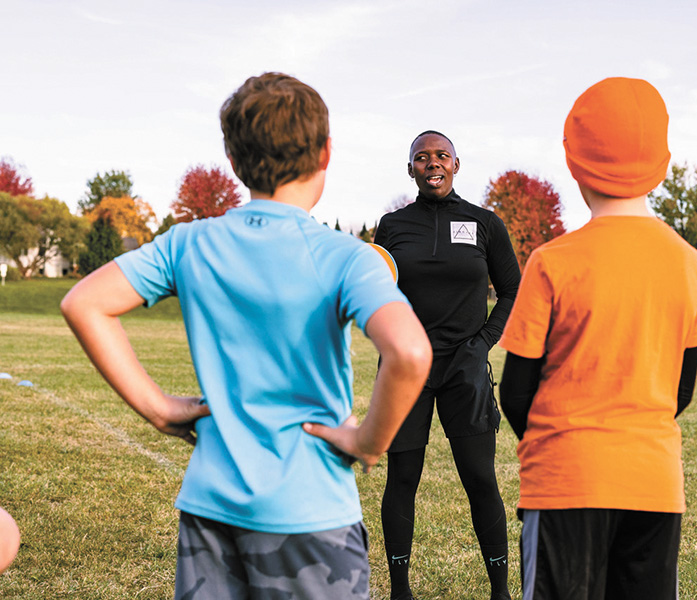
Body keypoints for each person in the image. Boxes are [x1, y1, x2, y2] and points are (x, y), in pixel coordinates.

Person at [60, 72, 432, 600]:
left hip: (210, 511)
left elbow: (85, 302)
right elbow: (411, 352)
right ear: (326, 153)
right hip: (312, 513)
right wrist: (366, 442)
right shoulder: (344, 255)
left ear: (233, 161)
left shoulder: (188, 243)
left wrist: (159, 409)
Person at [498, 78, 697, 600]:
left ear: (575, 163)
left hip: (564, 482)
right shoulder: (687, 261)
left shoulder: (552, 261)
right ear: (661, 164)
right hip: (654, 482)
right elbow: (680, 391)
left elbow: (515, 393)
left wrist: (556, 446)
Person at [373, 130, 520, 600]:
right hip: (406, 369)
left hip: (466, 370)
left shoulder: (484, 223)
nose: (431, 162)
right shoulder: (392, 226)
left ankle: (500, 591)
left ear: (457, 164)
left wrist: (482, 345)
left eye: (441, 155)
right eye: (421, 157)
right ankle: (400, 590)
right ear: (410, 168)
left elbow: (514, 291)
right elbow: (378, 292)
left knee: (480, 479)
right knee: (402, 479)